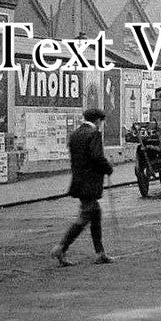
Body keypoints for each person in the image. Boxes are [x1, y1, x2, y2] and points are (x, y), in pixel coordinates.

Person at [54, 108, 114, 267]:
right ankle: (61, 247)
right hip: (90, 182)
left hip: (79, 181)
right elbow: (96, 157)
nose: (101, 125)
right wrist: (107, 167)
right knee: (86, 216)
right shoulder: (93, 134)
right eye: (101, 122)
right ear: (97, 121)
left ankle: (100, 253)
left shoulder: (75, 134)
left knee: (96, 215)